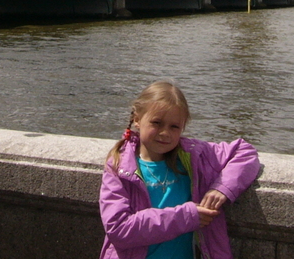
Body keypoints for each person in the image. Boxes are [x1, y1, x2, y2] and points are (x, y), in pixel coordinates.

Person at [99, 81, 260, 259]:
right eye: (157, 123)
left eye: (174, 127)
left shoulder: (194, 156)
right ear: (137, 119)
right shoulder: (119, 166)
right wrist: (186, 217)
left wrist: (222, 187)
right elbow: (119, 229)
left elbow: (245, 152)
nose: (165, 133)